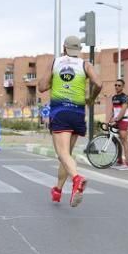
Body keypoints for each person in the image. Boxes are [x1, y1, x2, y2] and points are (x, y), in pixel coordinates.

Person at [37, 35, 102, 207]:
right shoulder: (85, 64)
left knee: (62, 154)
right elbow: (99, 83)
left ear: (64, 48)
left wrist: (54, 81)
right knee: (66, 157)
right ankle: (58, 190)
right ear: (78, 50)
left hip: (60, 112)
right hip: (78, 113)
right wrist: (91, 98)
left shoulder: (55, 62)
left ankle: (77, 179)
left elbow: (42, 86)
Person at [108, 78, 128, 170]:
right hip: (117, 120)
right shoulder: (114, 97)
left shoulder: (125, 97)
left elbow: (123, 110)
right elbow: (113, 110)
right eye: (115, 85)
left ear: (123, 87)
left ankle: (127, 164)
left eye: (119, 85)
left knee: (124, 141)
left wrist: (116, 119)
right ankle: (119, 161)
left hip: (123, 120)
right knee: (117, 141)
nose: (117, 87)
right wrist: (109, 120)